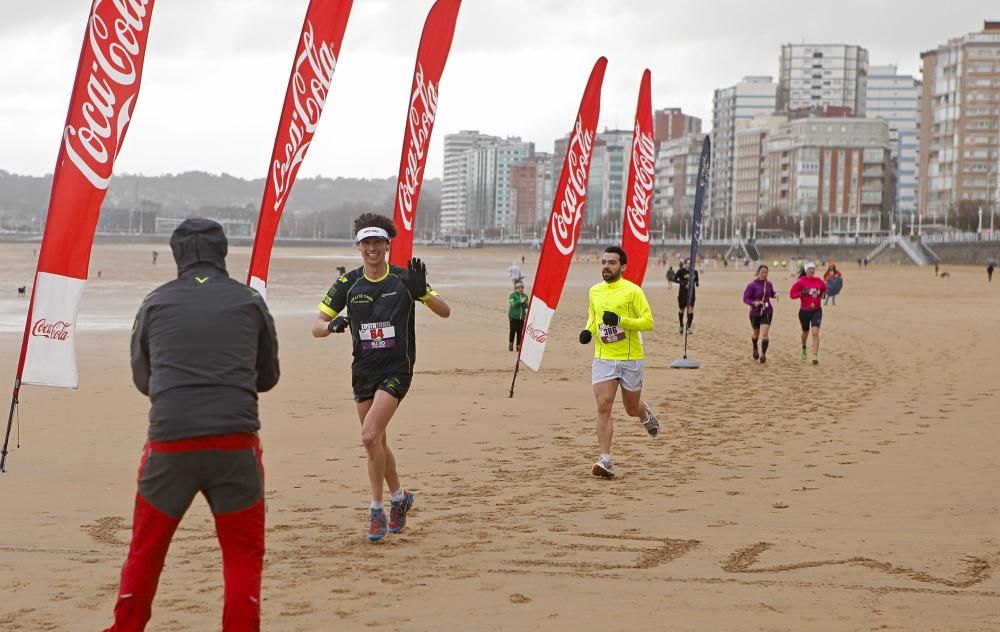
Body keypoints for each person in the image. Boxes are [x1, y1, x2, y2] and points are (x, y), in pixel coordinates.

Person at [104, 218, 280, 631]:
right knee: (242, 556)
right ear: (223, 253)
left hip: (170, 444)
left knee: (146, 551)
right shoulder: (249, 301)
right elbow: (268, 377)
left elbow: (143, 380)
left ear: (176, 255)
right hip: (235, 443)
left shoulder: (154, 303)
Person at [312, 213, 450, 542]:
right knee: (379, 441)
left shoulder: (404, 279)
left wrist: (424, 294)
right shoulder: (348, 284)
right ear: (358, 246)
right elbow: (316, 325)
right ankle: (400, 497)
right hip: (363, 371)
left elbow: (445, 311)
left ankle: (377, 509)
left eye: (378, 242)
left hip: (396, 369)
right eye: (366, 242)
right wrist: (331, 326)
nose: (372, 248)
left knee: (368, 436)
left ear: (388, 245)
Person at [579, 246, 658, 479]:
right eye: (603, 262)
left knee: (631, 408)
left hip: (630, 358)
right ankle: (605, 460)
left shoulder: (633, 292)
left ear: (622, 267)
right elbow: (593, 318)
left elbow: (648, 322)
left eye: (612, 263)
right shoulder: (594, 291)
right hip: (604, 357)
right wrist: (588, 331)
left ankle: (644, 414)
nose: (606, 266)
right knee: (604, 404)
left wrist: (621, 320)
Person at [789, 261, 827, 365]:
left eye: (813, 269)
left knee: (815, 332)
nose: (812, 270)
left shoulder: (819, 281)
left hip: (817, 310)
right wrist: (801, 293)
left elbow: (824, 289)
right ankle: (804, 347)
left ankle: (815, 355)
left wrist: (823, 294)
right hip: (804, 311)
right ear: (806, 271)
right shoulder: (801, 282)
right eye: (809, 269)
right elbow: (792, 295)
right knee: (805, 333)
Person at [742, 265, 776, 364]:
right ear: (758, 273)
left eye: (766, 272)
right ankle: (755, 347)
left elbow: (771, 293)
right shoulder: (752, 285)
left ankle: (763, 354)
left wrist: (775, 294)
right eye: (762, 272)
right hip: (755, 312)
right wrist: (754, 303)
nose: (765, 274)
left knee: (765, 334)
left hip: (767, 311)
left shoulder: (769, 284)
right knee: (755, 334)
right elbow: (746, 298)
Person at [674, 257, 699, 334]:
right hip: (682, 294)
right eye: (688, 263)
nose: (690, 264)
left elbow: (697, 280)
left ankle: (688, 327)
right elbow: (674, 279)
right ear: (685, 263)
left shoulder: (694, 272)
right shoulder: (681, 271)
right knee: (682, 310)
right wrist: (682, 283)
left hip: (691, 294)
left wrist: (697, 283)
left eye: (691, 263)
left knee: (690, 310)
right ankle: (681, 325)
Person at [508, 280, 528, 351]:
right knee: (513, 331)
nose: (520, 289)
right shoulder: (512, 295)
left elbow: (526, 306)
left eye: (521, 287)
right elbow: (513, 304)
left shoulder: (525, 296)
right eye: (518, 288)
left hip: (521, 317)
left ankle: (518, 346)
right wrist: (520, 301)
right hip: (513, 316)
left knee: (520, 332)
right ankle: (510, 344)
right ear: (515, 288)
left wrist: (525, 302)